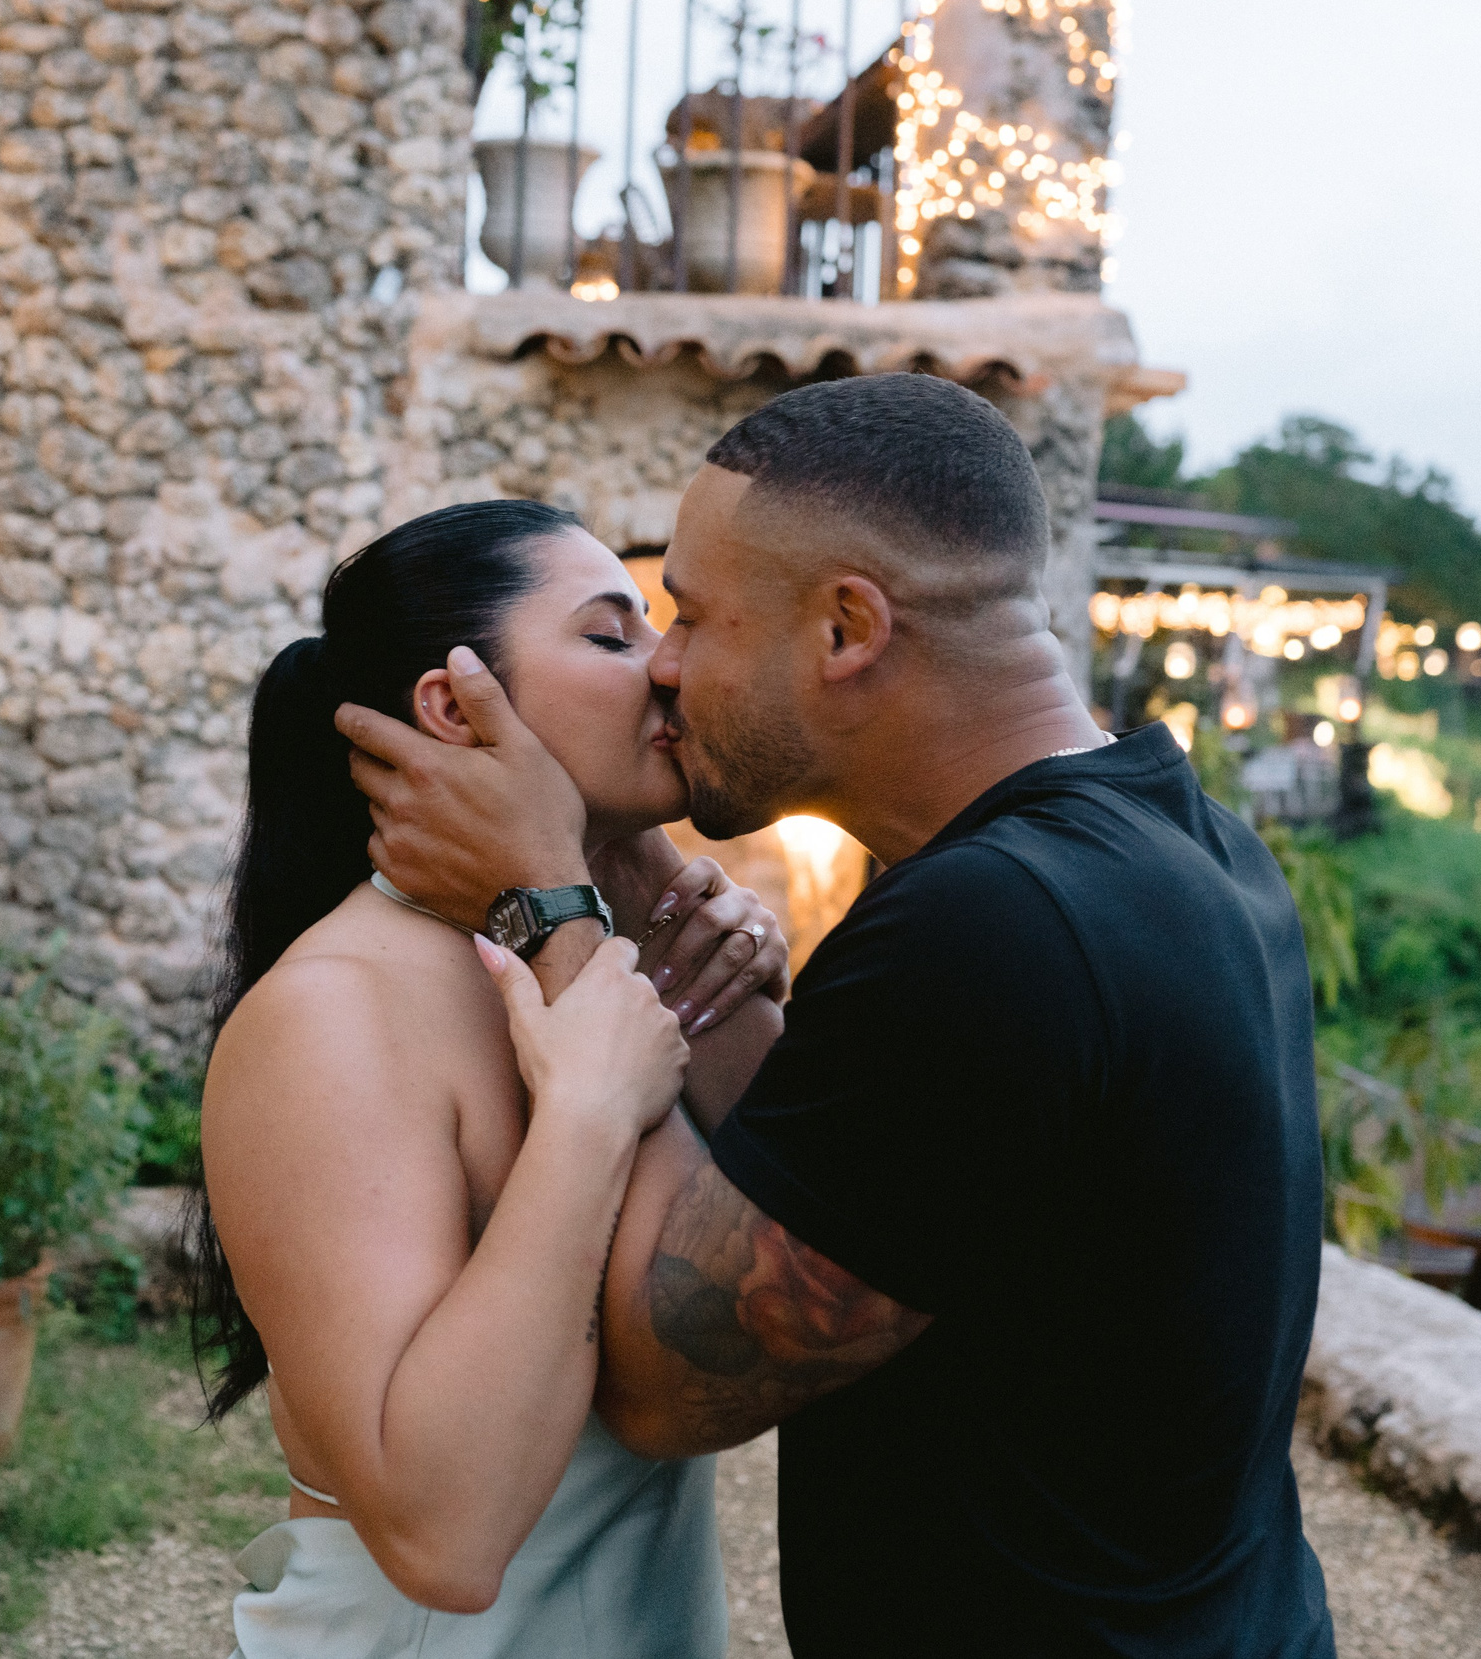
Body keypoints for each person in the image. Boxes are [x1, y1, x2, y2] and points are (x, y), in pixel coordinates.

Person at [338, 374, 1338, 1657]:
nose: (667, 665)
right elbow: (862, 1200)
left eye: (692, 616)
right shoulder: (1184, 846)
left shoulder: (995, 923)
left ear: (845, 627)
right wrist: (628, 864)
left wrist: (553, 897)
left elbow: (664, 1377)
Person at [193, 498, 795, 1658]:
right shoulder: (335, 1017)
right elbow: (444, 1542)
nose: (669, 667)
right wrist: (585, 1114)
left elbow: (781, 1246)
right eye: (611, 637)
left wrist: (713, 966)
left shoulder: (599, 942)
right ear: (454, 704)